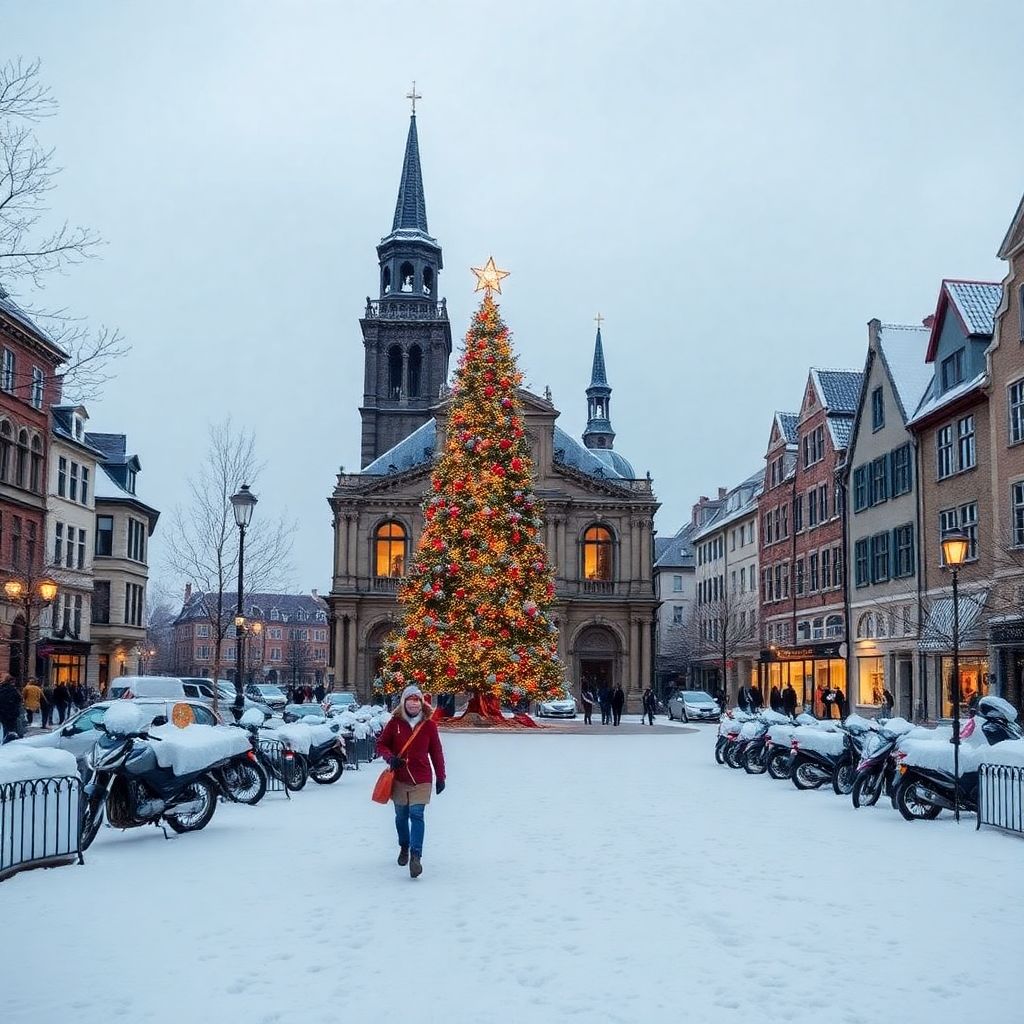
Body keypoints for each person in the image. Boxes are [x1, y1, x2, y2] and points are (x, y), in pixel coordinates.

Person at [376, 684, 446, 879]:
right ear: (404, 702)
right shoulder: (395, 723)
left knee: (417, 814)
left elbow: (436, 752)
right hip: (400, 778)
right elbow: (381, 744)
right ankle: (404, 846)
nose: (414, 704)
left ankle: (416, 856)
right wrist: (390, 758)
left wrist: (441, 777)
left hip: (422, 777)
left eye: (417, 700)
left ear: (421, 703)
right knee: (401, 816)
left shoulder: (429, 726)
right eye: (410, 700)